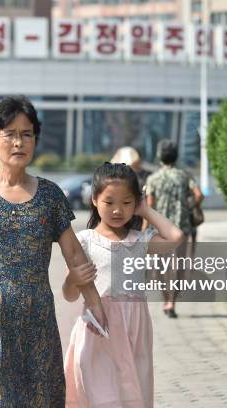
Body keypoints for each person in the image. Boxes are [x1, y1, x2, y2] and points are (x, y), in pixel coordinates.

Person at [0, 96, 108, 407]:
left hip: (36, 315)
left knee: (39, 396)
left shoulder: (51, 195)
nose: (19, 142)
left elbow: (74, 254)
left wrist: (95, 303)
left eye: (27, 134)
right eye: (10, 134)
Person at [63, 162, 183, 408]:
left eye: (127, 203)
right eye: (109, 202)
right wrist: (72, 279)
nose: (118, 210)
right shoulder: (84, 241)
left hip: (134, 329)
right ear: (94, 199)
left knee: (132, 390)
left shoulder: (140, 240)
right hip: (99, 329)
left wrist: (146, 211)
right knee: (100, 393)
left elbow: (175, 237)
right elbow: (69, 295)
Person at [145, 139, 204, 318]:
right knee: (178, 266)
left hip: (160, 230)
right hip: (181, 227)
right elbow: (199, 195)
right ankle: (172, 301)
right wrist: (188, 206)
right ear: (176, 156)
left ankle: (165, 300)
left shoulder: (153, 179)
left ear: (159, 156)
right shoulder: (184, 176)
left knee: (160, 267)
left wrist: (144, 228)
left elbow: (149, 207)